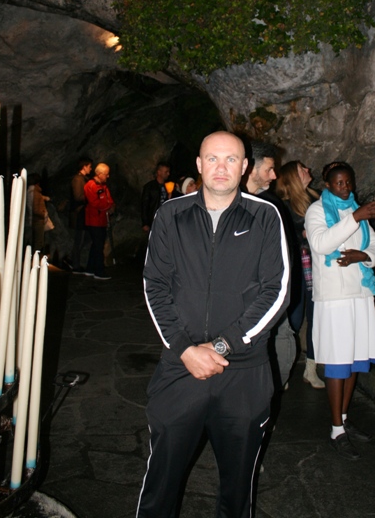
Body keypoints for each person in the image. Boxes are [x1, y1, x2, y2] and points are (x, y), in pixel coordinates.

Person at [137, 131, 290, 517]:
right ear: (199, 164)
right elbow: (155, 285)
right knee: (161, 481)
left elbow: (277, 291)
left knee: (238, 488)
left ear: (244, 167)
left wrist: (222, 346)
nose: (221, 167)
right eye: (212, 158)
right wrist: (185, 349)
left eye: (230, 159)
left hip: (243, 373)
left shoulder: (265, 216)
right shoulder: (171, 215)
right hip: (180, 368)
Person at [305, 161, 375, 461]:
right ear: (327, 185)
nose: (345, 187)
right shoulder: (317, 211)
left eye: (349, 182)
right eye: (339, 183)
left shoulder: (356, 210)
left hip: (360, 295)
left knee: (353, 360)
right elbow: (320, 243)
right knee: (338, 363)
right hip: (335, 298)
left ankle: (344, 417)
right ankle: (336, 429)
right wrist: (355, 217)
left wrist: (363, 255)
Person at [243, 141, 297, 390]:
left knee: (281, 336)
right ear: (250, 168)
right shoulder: (231, 201)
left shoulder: (271, 206)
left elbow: (284, 255)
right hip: (238, 296)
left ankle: (271, 393)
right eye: (269, 169)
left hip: (268, 291)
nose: (274, 176)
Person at [276, 160, 325, 389]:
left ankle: (311, 369)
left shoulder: (319, 198)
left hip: (318, 266)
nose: (308, 170)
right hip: (296, 268)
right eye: (301, 169)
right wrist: (302, 233)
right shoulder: (282, 205)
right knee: (293, 319)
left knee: (317, 318)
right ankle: (282, 368)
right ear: (292, 177)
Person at [84, 163, 115, 281]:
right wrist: (108, 206)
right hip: (94, 220)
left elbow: (109, 200)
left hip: (102, 220)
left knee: (96, 245)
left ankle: (90, 269)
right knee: (98, 246)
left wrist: (111, 206)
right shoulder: (90, 186)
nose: (108, 176)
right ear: (99, 174)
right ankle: (99, 270)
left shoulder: (104, 186)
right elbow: (95, 203)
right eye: (106, 174)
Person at [68, 156, 93, 272]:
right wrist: (92, 196)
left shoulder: (84, 179)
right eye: (89, 166)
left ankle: (75, 262)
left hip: (83, 213)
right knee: (79, 240)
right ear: (84, 167)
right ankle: (75, 265)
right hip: (79, 214)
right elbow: (78, 196)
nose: (91, 169)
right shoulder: (78, 179)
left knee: (83, 239)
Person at [141, 161, 170, 233]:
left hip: (166, 219)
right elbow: (144, 205)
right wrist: (145, 223)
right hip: (153, 220)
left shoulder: (168, 186)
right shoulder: (149, 187)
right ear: (159, 172)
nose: (168, 174)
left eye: (168, 171)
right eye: (166, 172)